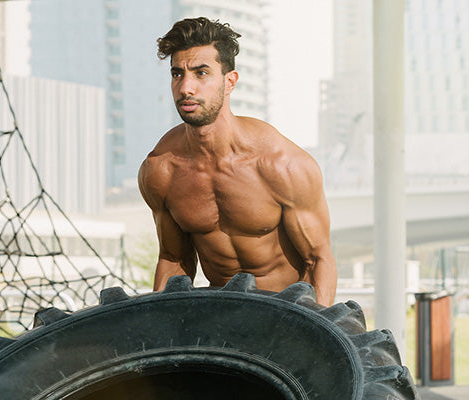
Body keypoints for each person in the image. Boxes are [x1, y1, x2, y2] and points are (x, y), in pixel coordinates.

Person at [138, 17, 337, 306]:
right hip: (222, 312)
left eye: (201, 73)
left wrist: (313, 336)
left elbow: (318, 260)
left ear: (229, 82)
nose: (186, 88)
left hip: (288, 310)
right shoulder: (161, 170)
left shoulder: (283, 164)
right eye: (177, 74)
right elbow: (173, 261)